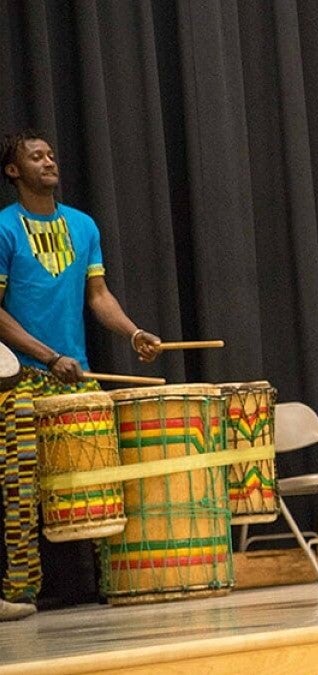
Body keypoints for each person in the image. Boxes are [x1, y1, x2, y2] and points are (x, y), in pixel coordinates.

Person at [0, 130, 162, 620]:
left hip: (75, 375)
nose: (49, 161)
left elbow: (98, 296)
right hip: (20, 378)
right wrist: (48, 357)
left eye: (51, 153)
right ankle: (20, 592)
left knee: (103, 481)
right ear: (14, 171)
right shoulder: (4, 228)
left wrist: (133, 334)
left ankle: (118, 581)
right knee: (22, 487)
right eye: (36, 156)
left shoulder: (83, 226)